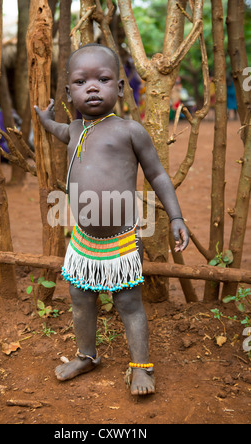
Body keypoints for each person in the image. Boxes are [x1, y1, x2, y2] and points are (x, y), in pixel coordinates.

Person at [34, 43, 189, 396]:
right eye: (81, 81)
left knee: (129, 303)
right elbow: (58, 132)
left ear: (119, 89)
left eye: (103, 79)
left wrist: (176, 215)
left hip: (122, 239)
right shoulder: (74, 129)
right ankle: (87, 356)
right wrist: (45, 121)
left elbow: (158, 176)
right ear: (70, 92)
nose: (92, 87)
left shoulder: (128, 131)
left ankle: (141, 368)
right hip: (83, 240)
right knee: (79, 297)